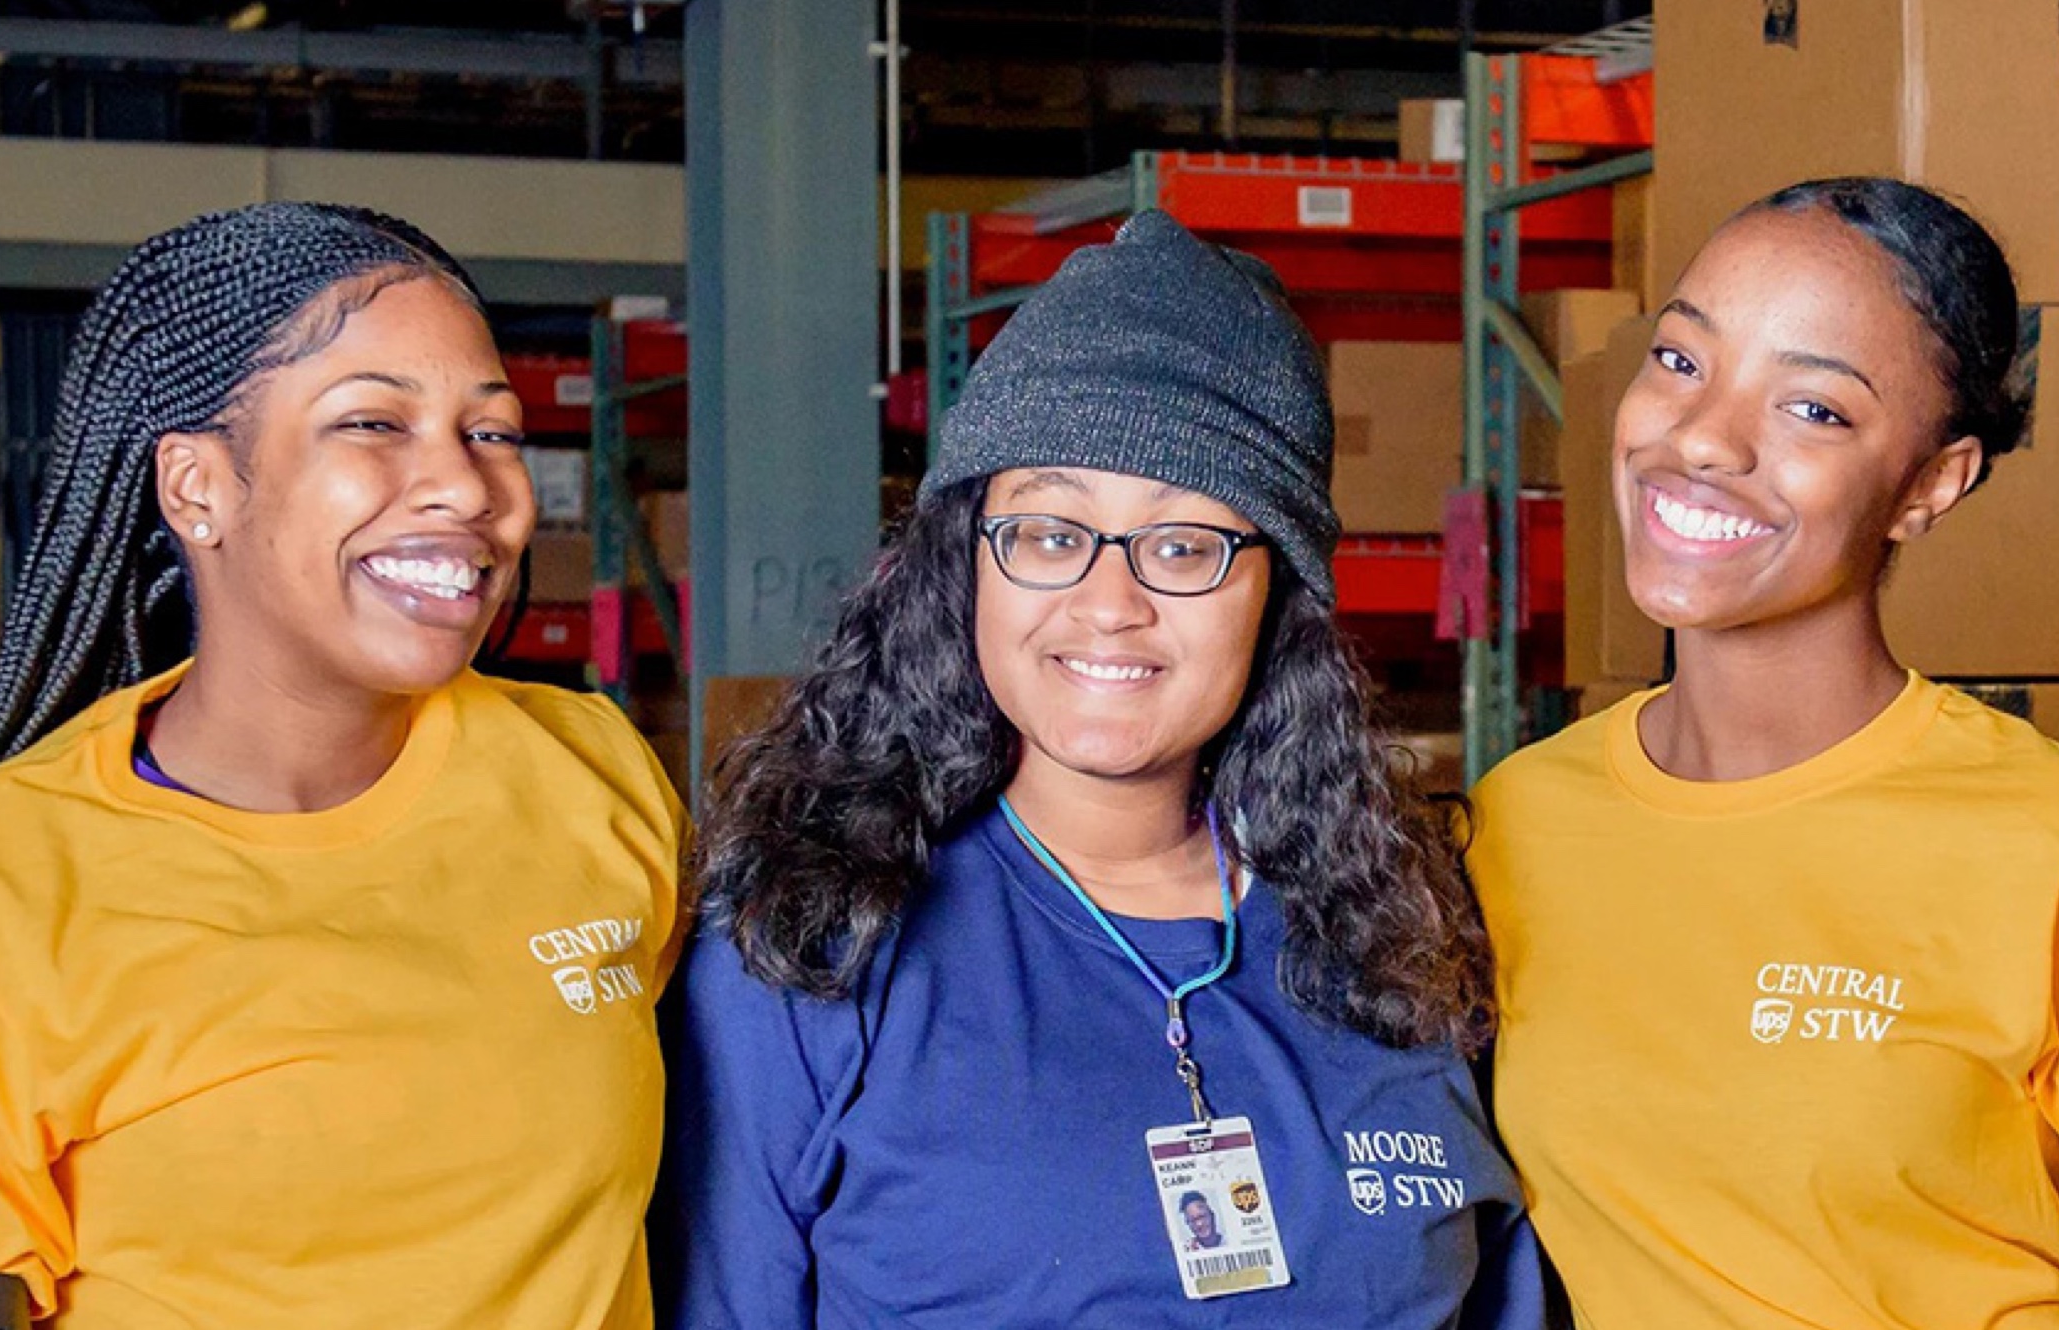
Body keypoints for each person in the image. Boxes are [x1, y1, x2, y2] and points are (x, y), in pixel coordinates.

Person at [651, 209, 1540, 1328]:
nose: (1108, 603)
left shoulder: (1403, 943)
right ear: (965, 565)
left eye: (1182, 546)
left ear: (1278, 595)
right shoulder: (811, 944)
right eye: (1049, 532)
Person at [0, 203, 688, 1327]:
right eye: (373, 425)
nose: (466, 486)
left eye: (491, 432)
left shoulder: (588, 772)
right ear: (198, 486)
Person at [1467, 178, 2059, 1328]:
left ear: (1930, 485)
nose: (1702, 440)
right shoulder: (1516, 820)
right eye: (1679, 361)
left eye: (1812, 409)